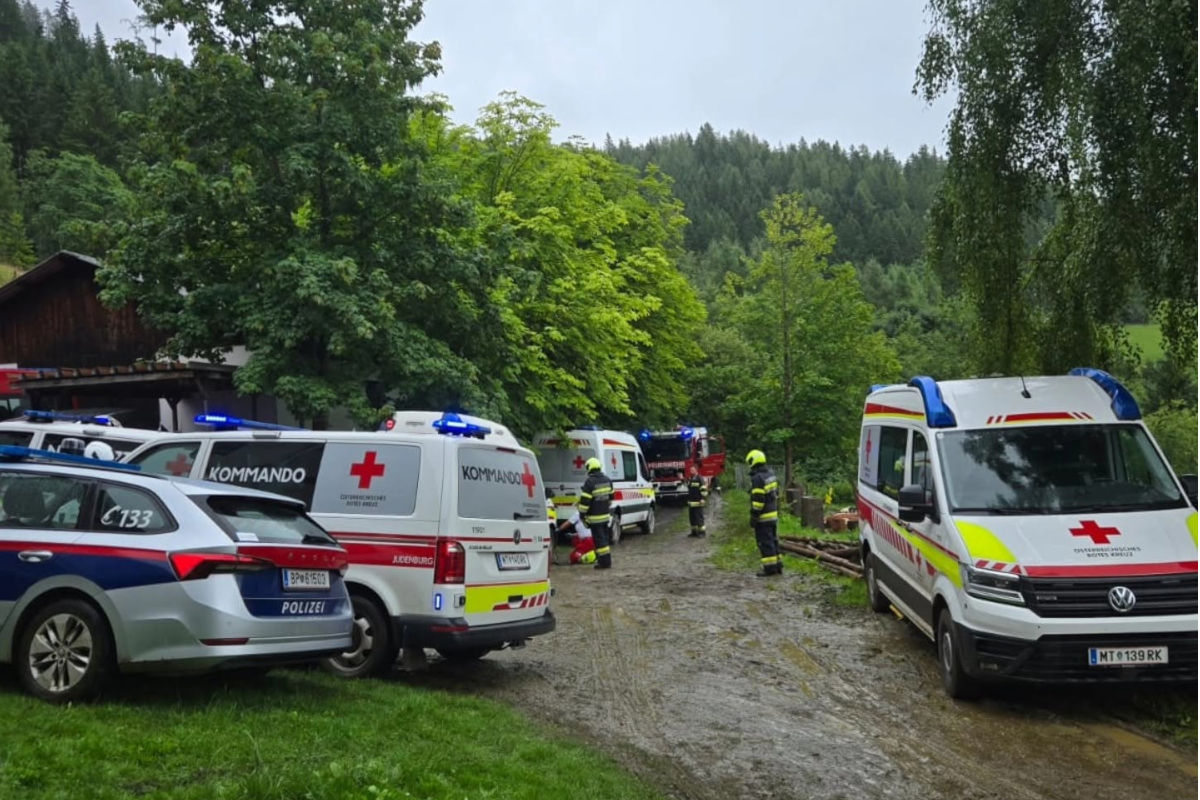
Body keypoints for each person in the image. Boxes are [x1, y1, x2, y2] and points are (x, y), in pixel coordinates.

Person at [746, 449, 781, 576]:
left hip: (763, 517)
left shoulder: (757, 478)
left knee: (765, 543)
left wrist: (754, 517)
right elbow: (776, 493)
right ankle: (778, 565)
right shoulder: (770, 475)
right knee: (773, 541)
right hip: (773, 514)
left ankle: (770, 568)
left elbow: (758, 501)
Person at [577, 456, 613, 569]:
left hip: (595, 518)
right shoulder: (608, 480)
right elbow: (611, 498)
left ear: (589, 468)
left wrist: (582, 515)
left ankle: (604, 563)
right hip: (605, 516)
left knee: (599, 541)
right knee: (604, 539)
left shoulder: (590, 482)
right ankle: (605, 560)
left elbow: (584, 502)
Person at [686, 465, 708, 538]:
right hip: (691, 503)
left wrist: (703, 498)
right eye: (690, 470)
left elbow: (704, 489)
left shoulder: (699, 478)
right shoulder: (691, 478)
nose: (691, 471)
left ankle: (702, 533)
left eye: (692, 470)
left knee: (699, 518)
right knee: (692, 519)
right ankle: (694, 532)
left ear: (696, 470)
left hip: (698, 502)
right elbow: (689, 487)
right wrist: (683, 479)